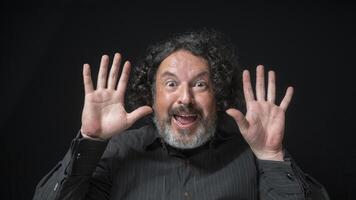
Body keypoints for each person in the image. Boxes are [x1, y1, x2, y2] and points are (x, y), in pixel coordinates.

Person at [33, 29, 329, 200]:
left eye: (200, 84)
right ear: (152, 94)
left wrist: (271, 156)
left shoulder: (250, 154)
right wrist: (91, 140)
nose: (185, 98)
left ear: (218, 95)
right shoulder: (118, 152)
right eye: (171, 84)